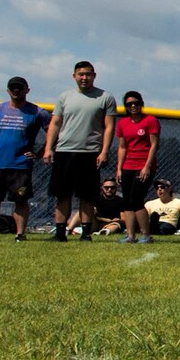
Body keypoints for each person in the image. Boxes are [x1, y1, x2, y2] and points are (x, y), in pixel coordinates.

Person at [42, 60, 116, 242]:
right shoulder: (64, 97)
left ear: (94, 76)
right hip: (64, 151)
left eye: (88, 74)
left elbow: (109, 127)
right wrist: (48, 148)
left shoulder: (105, 97)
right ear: (74, 76)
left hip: (90, 153)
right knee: (62, 194)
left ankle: (85, 233)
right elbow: (55, 123)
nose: (84, 78)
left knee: (87, 196)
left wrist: (104, 151)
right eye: (81, 74)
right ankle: (60, 233)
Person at [0, 76, 43, 242]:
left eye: (20, 87)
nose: (16, 90)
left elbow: (54, 131)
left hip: (20, 165)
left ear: (27, 90)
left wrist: (39, 153)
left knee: (20, 200)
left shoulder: (37, 112)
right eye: (13, 88)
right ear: (8, 91)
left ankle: (20, 234)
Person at [112, 91, 161, 244]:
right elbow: (122, 147)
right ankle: (130, 235)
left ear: (141, 104)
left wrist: (147, 166)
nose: (133, 106)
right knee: (127, 201)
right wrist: (119, 168)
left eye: (136, 103)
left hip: (143, 165)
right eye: (129, 104)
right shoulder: (122, 123)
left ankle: (146, 235)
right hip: (128, 165)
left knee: (136, 200)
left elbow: (154, 144)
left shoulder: (150, 121)